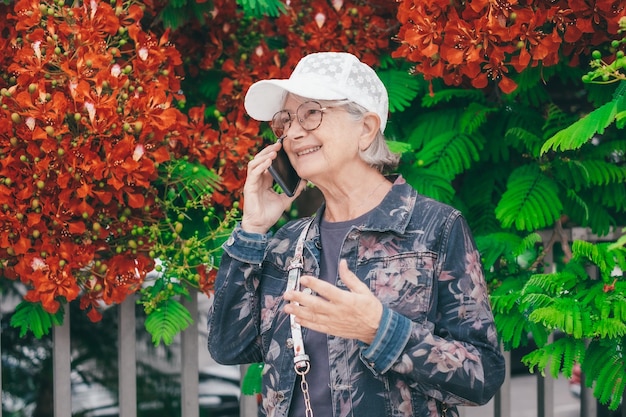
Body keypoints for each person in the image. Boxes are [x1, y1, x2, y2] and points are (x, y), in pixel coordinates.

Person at [207, 51, 506, 417]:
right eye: (285, 121)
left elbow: (483, 375)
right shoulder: (288, 244)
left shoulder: (435, 228)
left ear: (365, 129)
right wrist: (252, 229)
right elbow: (228, 347)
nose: (293, 132)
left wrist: (381, 330)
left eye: (311, 113)